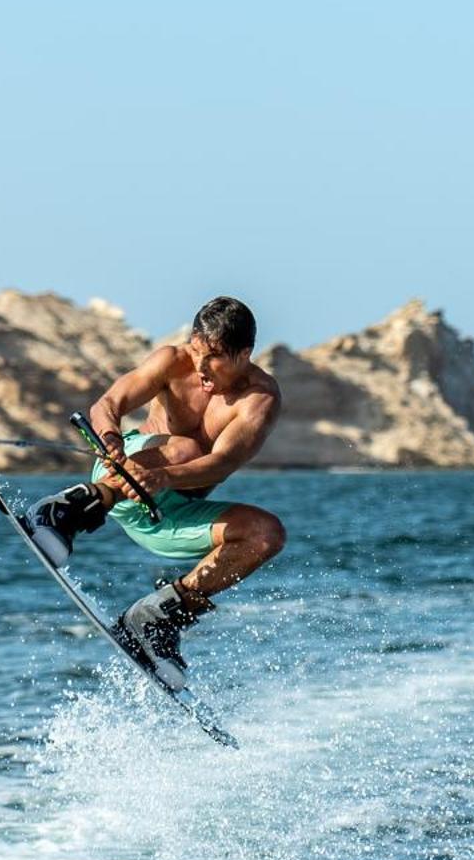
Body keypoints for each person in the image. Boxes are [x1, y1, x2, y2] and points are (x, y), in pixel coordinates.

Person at [26, 296, 285, 690]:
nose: (200, 367)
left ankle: (157, 618)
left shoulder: (259, 399)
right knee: (185, 447)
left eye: (213, 357)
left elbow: (221, 463)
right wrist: (110, 437)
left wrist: (166, 479)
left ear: (244, 354)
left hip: (168, 513)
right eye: (198, 351)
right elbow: (107, 404)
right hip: (123, 478)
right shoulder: (172, 361)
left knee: (266, 535)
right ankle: (65, 511)